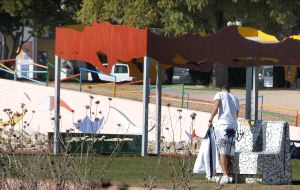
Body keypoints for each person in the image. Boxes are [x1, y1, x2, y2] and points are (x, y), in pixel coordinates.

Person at [208, 85, 240, 184]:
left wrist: (210, 119)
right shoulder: (235, 98)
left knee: (222, 150)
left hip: (223, 125)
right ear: (229, 91)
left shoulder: (220, 94)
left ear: (221, 90)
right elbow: (237, 113)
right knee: (228, 151)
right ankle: (228, 175)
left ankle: (225, 175)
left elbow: (216, 106)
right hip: (233, 125)